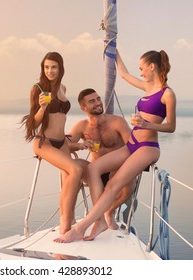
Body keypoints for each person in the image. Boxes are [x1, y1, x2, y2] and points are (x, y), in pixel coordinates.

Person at [54, 49, 176, 243]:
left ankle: (81, 228)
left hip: (148, 147)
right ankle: (100, 220)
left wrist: (147, 125)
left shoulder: (167, 94)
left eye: (142, 68)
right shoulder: (147, 87)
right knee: (94, 168)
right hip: (132, 145)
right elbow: (124, 75)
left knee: (113, 184)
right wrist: (113, 48)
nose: (141, 72)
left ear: (152, 67)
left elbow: (171, 126)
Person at [21, 52, 83, 234]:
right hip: (44, 142)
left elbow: (61, 118)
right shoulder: (38, 88)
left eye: (54, 67)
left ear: (60, 68)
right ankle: (65, 222)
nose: (50, 71)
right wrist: (42, 107)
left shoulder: (63, 87)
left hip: (61, 141)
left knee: (71, 178)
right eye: (46, 67)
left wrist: (76, 142)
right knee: (76, 169)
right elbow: (34, 123)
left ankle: (69, 217)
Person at [67, 88, 135, 230]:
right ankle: (68, 215)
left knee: (129, 185)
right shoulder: (82, 126)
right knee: (72, 166)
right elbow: (66, 145)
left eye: (98, 99)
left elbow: (132, 146)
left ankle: (108, 212)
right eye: (92, 101)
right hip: (95, 173)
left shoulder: (117, 122)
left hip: (117, 170)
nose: (98, 103)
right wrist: (80, 145)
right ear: (83, 107)